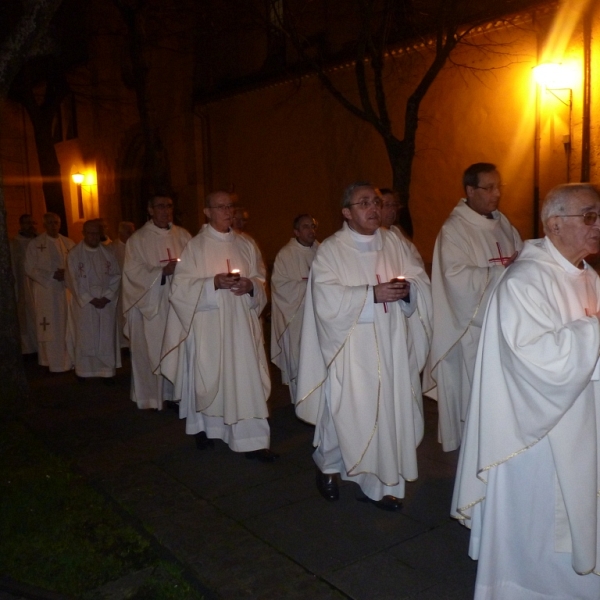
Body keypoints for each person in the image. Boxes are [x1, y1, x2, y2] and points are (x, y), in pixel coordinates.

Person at [451, 183, 600, 599]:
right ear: (555, 224)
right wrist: (595, 330)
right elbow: (536, 359)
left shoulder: (587, 276)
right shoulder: (526, 281)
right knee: (541, 527)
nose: (599, 225)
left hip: (582, 424)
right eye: (589, 216)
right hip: (535, 437)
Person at [295, 182, 432, 509]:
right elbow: (324, 299)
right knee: (346, 413)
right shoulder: (332, 249)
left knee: (388, 414)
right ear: (347, 212)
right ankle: (328, 465)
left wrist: (408, 290)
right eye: (364, 203)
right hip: (351, 347)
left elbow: (420, 281)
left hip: (392, 344)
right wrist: (370, 295)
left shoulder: (395, 243)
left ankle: (381, 485)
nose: (374, 208)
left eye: (377, 202)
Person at [160, 191, 277, 461]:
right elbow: (180, 290)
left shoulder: (246, 244)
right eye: (221, 207)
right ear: (207, 212)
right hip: (208, 327)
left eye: (230, 206)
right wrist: (212, 283)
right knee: (208, 376)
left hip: (242, 329)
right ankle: (205, 429)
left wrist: (251, 287)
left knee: (246, 381)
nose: (228, 211)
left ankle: (253, 440)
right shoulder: (196, 247)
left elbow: (260, 280)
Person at [423, 163, 522, 451]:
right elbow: (456, 280)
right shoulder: (454, 230)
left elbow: (521, 261)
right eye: (489, 187)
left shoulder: (503, 224)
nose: (497, 193)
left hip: (505, 329)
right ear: (470, 190)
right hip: (471, 333)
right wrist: (503, 273)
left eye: (499, 186)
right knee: (475, 407)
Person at [122, 194, 191, 410]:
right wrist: (162, 271)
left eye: (169, 206)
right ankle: (152, 398)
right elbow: (132, 273)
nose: (166, 210)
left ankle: (177, 394)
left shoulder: (184, 236)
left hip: (179, 304)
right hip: (152, 305)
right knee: (152, 349)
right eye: (160, 206)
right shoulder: (138, 239)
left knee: (179, 348)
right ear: (150, 210)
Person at [270, 214, 319, 401]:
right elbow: (280, 286)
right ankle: (301, 402)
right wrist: (307, 286)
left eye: (313, 226)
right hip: (297, 318)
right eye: (305, 227)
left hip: (318, 316)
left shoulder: (321, 251)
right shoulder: (286, 254)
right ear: (296, 232)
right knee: (301, 360)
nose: (311, 230)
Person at [66, 220, 121, 381]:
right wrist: (89, 299)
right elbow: (72, 280)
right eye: (90, 233)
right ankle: (84, 370)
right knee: (85, 335)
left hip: (105, 303)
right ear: (83, 233)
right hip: (84, 304)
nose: (93, 236)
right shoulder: (74, 254)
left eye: (96, 233)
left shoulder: (108, 253)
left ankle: (106, 370)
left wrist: (107, 296)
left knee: (105, 336)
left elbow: (116, 276)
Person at [25, 213, 75, 372]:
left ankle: (69, 361)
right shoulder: (35, 244)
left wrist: (66, 273)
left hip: (65, 291)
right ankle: (50, 362)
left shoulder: (68, 243)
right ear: (45, 224)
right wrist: (51, 274)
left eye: (57, 222)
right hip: (47, 292)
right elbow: (29, 267)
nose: (54, 225)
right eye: (51, 223)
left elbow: (76, 265)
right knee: (50, 326)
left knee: (67, 324)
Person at [10, 214, 38, 355]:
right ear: (21, 225)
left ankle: (42, 348)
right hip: (23, 286)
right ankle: (28, 349)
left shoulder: (41, 241)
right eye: (27, 223)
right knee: (26, 317)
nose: (31, 225)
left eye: (33, 222)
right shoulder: (15, 243)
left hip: (40, 286)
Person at [379, 188, 424, 268]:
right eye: (387, 205)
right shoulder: (374, 234)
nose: (392, 210)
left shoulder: (398, 232)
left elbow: (416, 259)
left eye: (394, 205)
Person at [110, 221, 136, 349]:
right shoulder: (112, 248)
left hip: (133, 288)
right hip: (118, 288)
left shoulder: (135, 246)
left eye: (132, 231)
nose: (132, 234)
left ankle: (132, 341)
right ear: (120, 233)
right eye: (129, 232)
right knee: (120, 315)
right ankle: (121, 343)